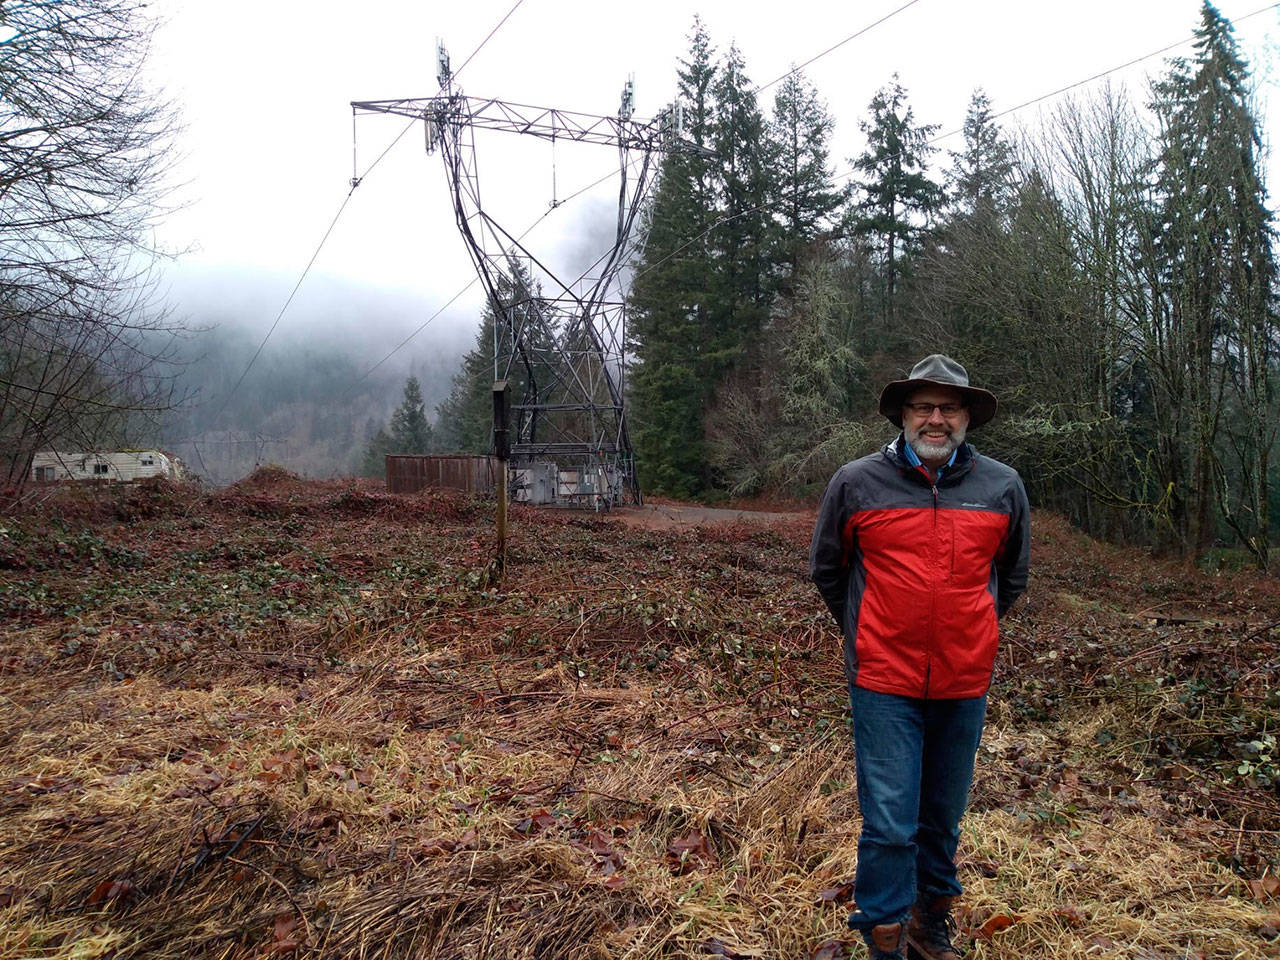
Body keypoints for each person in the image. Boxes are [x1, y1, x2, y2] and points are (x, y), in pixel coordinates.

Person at [809, 354, 1030, 960]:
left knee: (941, 819)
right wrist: (872, 630)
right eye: (923, 407)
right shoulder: (856, 483)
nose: (936, 419)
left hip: (963, 682)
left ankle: (929, 925)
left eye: (949, 407)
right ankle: (884, 940)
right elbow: (829, 571)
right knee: (889, 825)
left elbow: (1011, 579)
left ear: (967, 417)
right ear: (904, 414)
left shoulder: (1002, 487)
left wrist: (969, 630)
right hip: (884, 682)